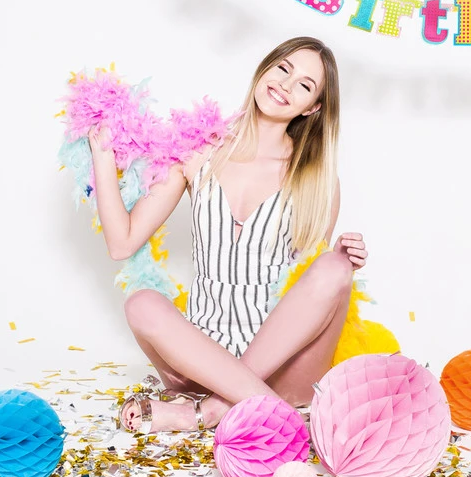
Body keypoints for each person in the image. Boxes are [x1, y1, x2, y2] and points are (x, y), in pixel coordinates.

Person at [86, 36, 367, 433]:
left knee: (335, 268)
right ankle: (236, 403)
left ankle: (209, 412)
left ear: (313, 107)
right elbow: (122, 243)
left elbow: (303, 285)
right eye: (283, 69)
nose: (286, 85)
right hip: (202, 366)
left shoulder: (317, 178)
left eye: (304, 85)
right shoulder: (197, 152)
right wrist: (101, 155)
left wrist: (336, 256)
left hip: (283, 371)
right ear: (265, 69)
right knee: (141, 303)